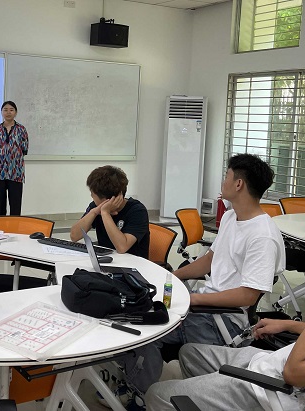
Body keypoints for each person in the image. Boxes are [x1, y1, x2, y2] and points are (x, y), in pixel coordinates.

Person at [146, 215, 305, 411]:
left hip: (276, 391)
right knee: (189, 353)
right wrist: (289, 325)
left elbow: (293, 374)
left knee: (157, 394)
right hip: (272, 362)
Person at [119, 154, 286, 406]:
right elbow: (209, 260)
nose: (223, 181)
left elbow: (247, 295)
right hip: (204, 308)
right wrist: (173, 276)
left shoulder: (262, 236)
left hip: (222, 321)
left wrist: (193, 299)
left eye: (227, 176)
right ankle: (138, 388)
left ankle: (141, 397)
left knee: (147, 331)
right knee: (139, 314)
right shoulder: (231, 217)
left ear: (238, 184)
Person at [70, 165, 149, 258]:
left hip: (131, 264)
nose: (91, 195)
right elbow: (74, 236)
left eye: (93, 194)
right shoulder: (95, 207)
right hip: (107, 261)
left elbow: (122, 248)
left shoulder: (137, 211)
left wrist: (105, 213)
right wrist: (94, 212)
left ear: (106, 200)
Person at [0, 100, 28, 216]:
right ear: (1, 112)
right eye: (5, 110)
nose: (8, 112)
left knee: (15, 205)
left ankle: (14, 226)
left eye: (11, 110)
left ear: (15, 112)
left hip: (16, 172)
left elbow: (24, 148)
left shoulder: (21, 129)